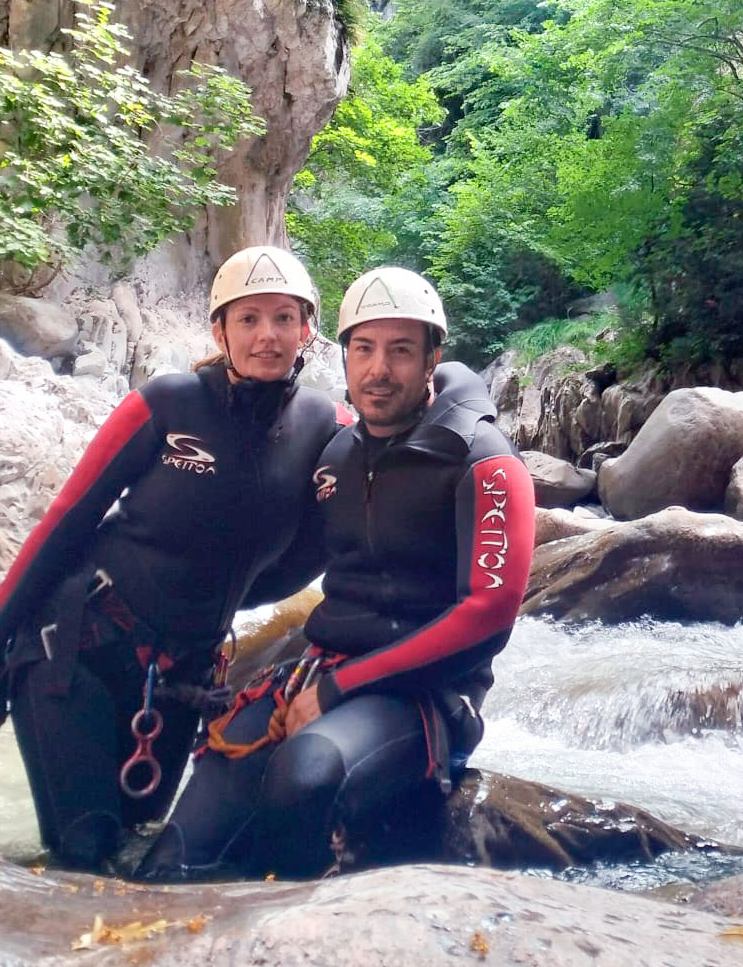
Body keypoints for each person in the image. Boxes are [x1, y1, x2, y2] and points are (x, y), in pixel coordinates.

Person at [0, 245, 354, 872]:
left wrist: (220, 599)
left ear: (308, 329)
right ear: (220, 330)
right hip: (76, 642)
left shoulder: (326, 424)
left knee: (143, 849)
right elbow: (67, 521)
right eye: (248, 319)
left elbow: (319, 548)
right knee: (87, 851)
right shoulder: (166, 404)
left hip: (185, 671)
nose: (267, 335)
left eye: (284, 318)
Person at [135, 266, 536, 881]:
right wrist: (189, 618)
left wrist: (342, 689)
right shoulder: (338, 457)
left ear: (432, 357)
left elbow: (490, 613)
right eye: (364, 348)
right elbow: (277, 567)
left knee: (303, 775)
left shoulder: (483, 461)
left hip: (426, 694)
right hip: (324, 669)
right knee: (174, 858)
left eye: (401, 351)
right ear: (343, 355)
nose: (380, 370)